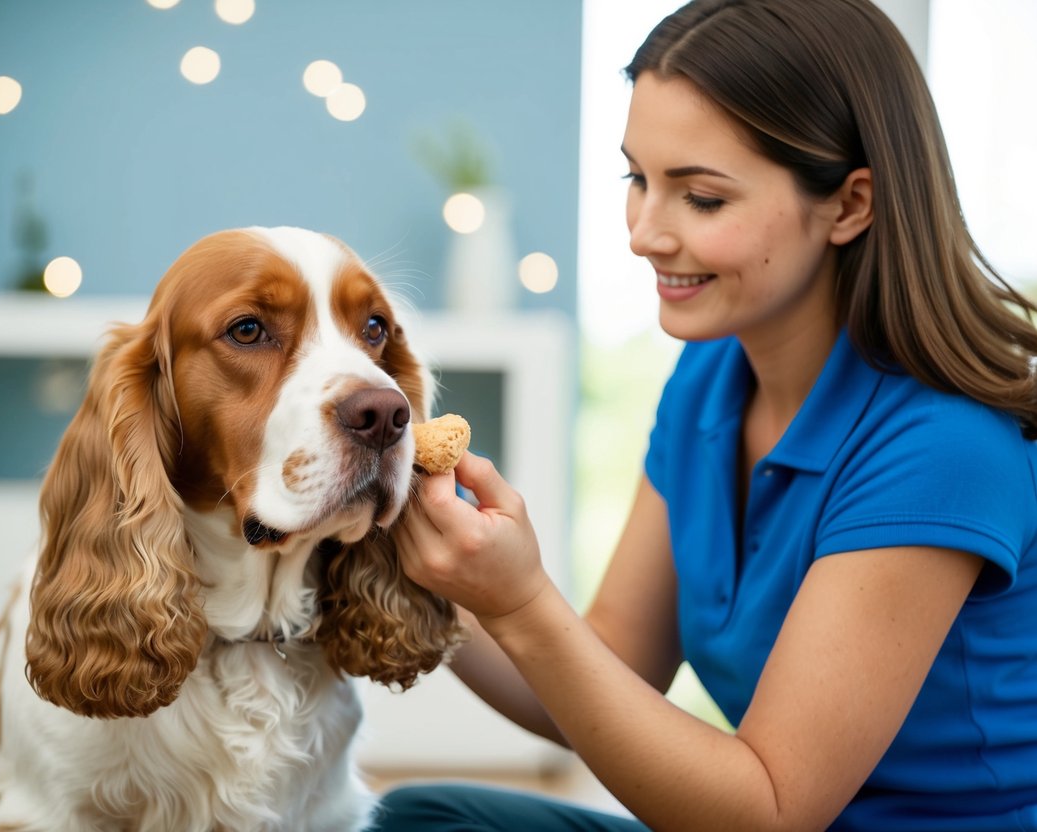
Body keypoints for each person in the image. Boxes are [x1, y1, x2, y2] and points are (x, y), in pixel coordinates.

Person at [369, 0, 1037, 829]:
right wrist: (411, 554)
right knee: (422, 815)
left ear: (850, 204)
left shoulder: (944, 447)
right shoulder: (711, 375)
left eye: (702, 198)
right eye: (636, 180)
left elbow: (767, 810)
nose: (644, 234)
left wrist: (519, 603)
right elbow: (609, 672)